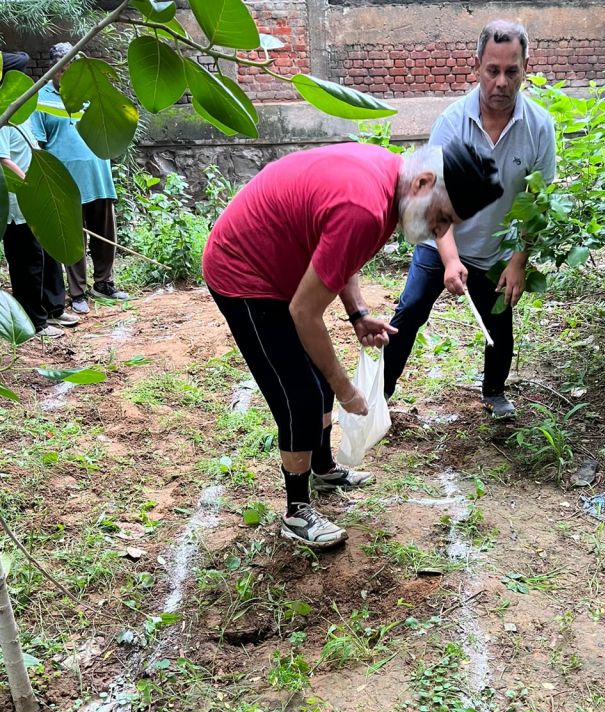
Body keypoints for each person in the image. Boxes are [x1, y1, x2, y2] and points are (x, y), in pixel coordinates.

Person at [203, 140, 503, 550]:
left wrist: (358, 313)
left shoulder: (389, 181)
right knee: (301, 395)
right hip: (243, 271)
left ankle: (323, 468)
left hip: (280, 262)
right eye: (442, 217)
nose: (439, 231)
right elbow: (304, 312)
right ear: (423, 182)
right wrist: (346, 389)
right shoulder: (365, 208)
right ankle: (296, 511)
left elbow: (340, 254)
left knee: (318, 381)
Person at [383, 19, 557, 418]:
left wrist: (518, 262)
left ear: (525, 68)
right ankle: (379, 394)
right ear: (477, 65)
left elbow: (538, 203)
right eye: (492, 70)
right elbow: (431, 200)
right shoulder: (451, 122)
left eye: (511, 71)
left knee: (499, 324)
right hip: (441, 241)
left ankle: (494, 392)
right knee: (410, 311)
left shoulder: (539, 127)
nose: (501, 82)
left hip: (496, 250)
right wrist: (449, 259)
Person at [30, 42, 129, 314]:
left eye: (72, 68)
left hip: (98, 176)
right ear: (53, 69)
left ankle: (104, 283)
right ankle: (77, 292)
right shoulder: (40, 99)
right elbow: (38, 145)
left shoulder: (90, 95)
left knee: (105, 234)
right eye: (63, 69)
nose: (68, 73)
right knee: (74, 238)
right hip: (66, 182)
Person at [0, 53, 78, 338]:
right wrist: (33, 186)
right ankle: (35, 321)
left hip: (37, 201)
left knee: (48, 257)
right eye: (20, 76)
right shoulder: (3, 118)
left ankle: (54, 309)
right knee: (28, 264)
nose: (28, 81)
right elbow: (3, 159)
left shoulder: (21, 113)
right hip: (19, 206)